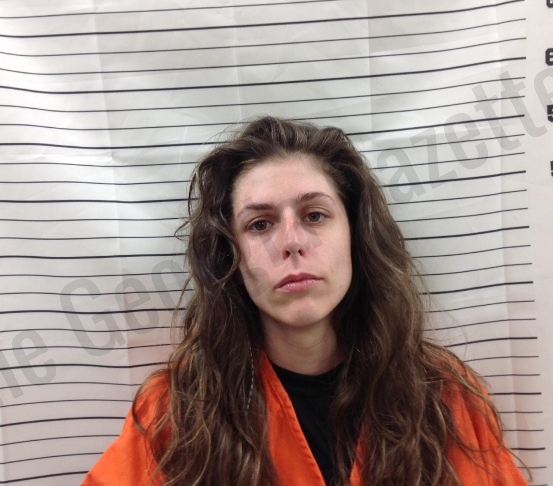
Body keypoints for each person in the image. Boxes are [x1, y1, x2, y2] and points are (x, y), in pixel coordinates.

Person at [82, 116, 528, 486]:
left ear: (355, 235)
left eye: (315, 215)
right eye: (260, 224)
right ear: (230, 256)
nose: (291, 241)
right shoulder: (173, 412)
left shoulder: (442, 396)